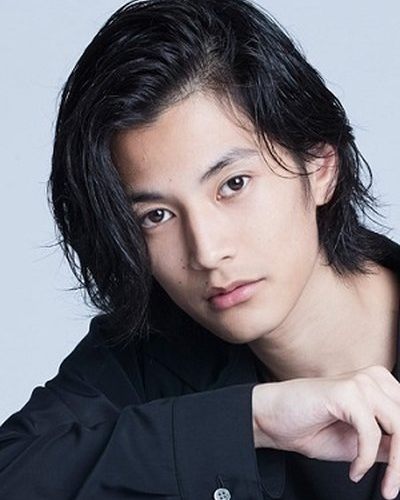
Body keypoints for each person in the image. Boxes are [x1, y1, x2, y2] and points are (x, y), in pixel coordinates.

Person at [1, 0, 399, 498]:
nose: (206, 252)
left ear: (320, 167)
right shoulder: (150, 360)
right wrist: (249, 422)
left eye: (233, 184)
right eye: (156, 216)